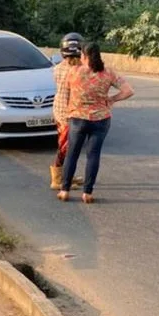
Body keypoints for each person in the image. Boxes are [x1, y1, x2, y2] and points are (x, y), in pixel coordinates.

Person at [59, 43, 135, 203]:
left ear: (84, 56)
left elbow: (65, 93)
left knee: (72, 154)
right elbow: (129, 90)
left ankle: (65, 190)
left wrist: (66, 113)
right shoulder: (108, 73)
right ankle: (87, 192)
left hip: (77, 118)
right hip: (101, 120)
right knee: (93, 155)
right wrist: (112, 99)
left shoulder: (73, 71)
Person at [50, 33, 85, 190]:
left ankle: (66, 175)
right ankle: (57, 179)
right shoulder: (78, 70)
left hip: (59, 110)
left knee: (67, 146)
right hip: (68, 113)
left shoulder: (58, 68)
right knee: (66, 147)